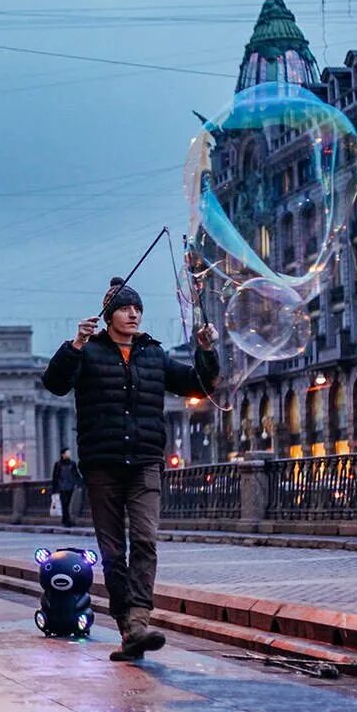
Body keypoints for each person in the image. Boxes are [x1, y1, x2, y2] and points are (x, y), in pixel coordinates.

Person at [42, 277, 218, 663]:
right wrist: (74, 345)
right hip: (102, 464)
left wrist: (206, 352)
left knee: (144, 540)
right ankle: (128, 628)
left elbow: (199, 386)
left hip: (144, 462)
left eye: (137, 308)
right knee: (112, 551)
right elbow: (54, 384)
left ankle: (138, 620)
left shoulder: (153, 355)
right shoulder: (88, 353)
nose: (134, 313)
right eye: (125, 308)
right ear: (108, 316)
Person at [50, 448, 83, 528]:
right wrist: (54, 489)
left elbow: (76, 474)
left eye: (69, 453)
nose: (69, 454)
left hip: (70, 487)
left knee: (67, 503)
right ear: (63, 454)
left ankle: (65, 520)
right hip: (62, 487)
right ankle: (67, 520)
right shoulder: (58, 464)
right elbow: (55, 477)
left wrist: (80, 483)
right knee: (64, 504)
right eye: (67, 453)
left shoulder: (72, 463)